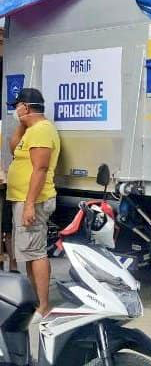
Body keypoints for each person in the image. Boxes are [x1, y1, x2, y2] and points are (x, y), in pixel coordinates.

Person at [6, 88, 60, 321]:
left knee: (36, 253)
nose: (14, 110)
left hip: (34, 201)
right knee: (29, 253)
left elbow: (40, 168)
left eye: (17, 106)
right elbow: (13, 148)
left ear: (26, 107)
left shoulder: (41, 131)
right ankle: (37, 300)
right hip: (23, 199)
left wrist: (29, 205)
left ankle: (44, 306)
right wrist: (22, 123)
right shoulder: (31, 130)